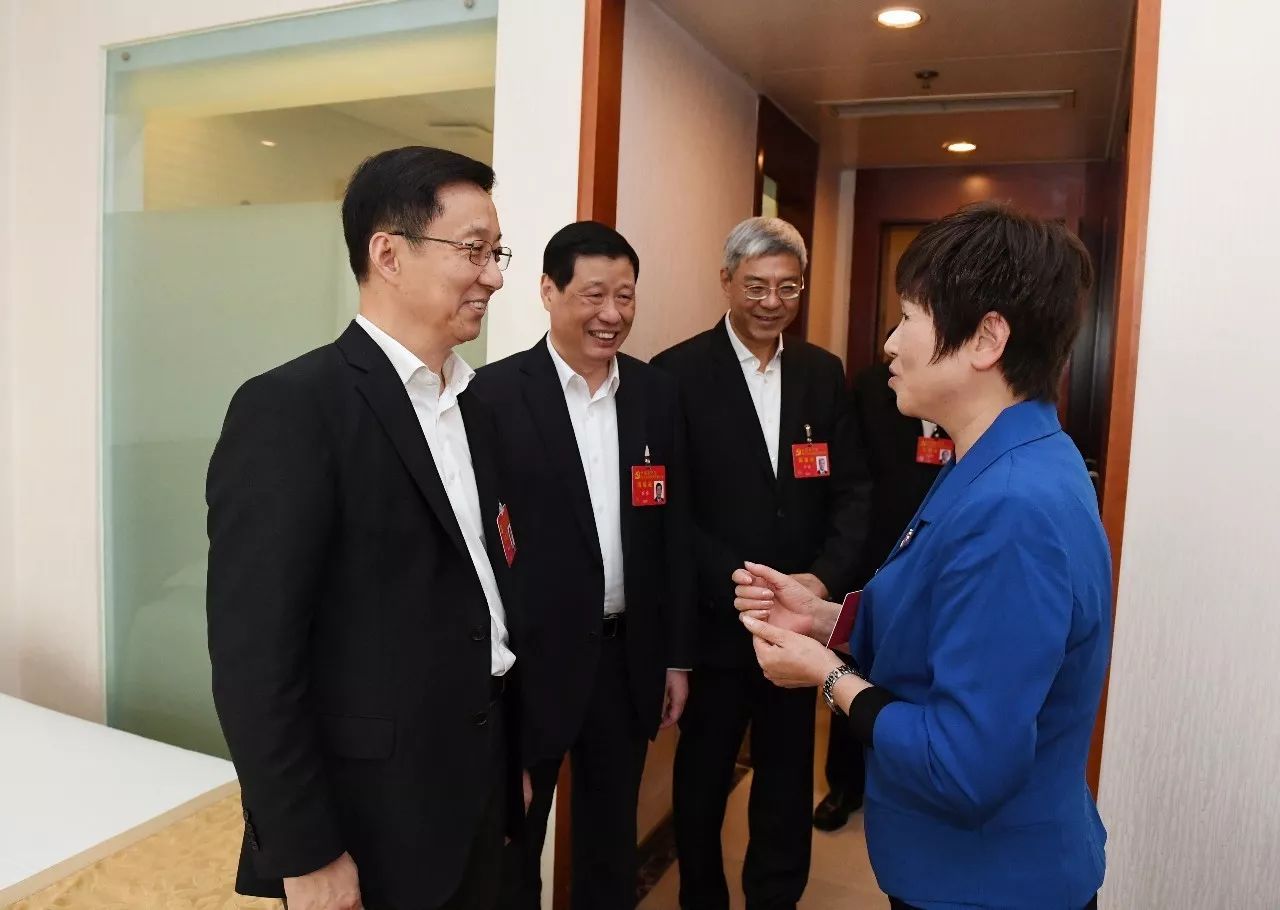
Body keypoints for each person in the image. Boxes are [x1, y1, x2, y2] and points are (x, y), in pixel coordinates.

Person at [735, 201, 1109, 910]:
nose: (889, 343)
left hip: (989, 885)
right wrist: (824, 619)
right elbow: (944, 617)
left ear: (986, 339)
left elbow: (965, 765)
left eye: (908, 317)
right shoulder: (996, 457)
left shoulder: (1013, 507)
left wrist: (828, 675)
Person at [206, 146, 522, 910]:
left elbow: (479, 591)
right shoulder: (292, 409)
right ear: (388, 254)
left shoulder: (476, 405)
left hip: (478, 789)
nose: (494, 276)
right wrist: (305, 849)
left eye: (497, 253)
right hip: (370, 816)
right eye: (473, 250)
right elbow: (255, 663)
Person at [470, 221, 695, 910]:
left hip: (625, 662)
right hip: (530, 667)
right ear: (548, 290)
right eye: (594, 295)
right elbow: (481, 545)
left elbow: (673, 534)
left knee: (609, 844)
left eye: (625, 296)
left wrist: (675, 658)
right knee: (514, 846)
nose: (612, 314)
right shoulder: (492, 396)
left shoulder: (657, 395)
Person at [651, 217, 870, 910]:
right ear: (726, 282)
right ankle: (702, 898)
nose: (772, 302)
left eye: (788, 287)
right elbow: (672, 508)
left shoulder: (821, 372)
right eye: (756, 286)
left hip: (798, 627)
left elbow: (852, 490)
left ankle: (775, 898)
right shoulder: (676, 374)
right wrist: (743, 585)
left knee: (785, 779)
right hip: (719, 620)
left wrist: (821, 580)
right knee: (702, 780)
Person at [813, 350, 953, 833]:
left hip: (946, 556)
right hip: (877, 555)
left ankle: (917, 786)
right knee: (857, 666)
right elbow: (854, 481)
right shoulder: (874, 386)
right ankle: (845, 784)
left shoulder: (973, 388)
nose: (895, 341)